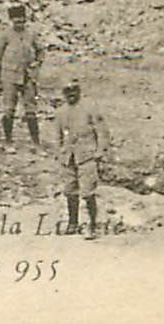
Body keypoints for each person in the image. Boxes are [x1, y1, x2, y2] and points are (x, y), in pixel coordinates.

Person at [51, 81, 112, 239]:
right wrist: (59, 153)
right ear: (63, 94)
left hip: (87, 156)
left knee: (88, 191)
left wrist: (100, 151)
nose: (71, 94)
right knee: (70, 191)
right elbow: (57, 136)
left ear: (79, 91)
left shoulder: (90, 108)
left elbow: (102, 131)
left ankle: (92, 226)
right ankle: (73, 224)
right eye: (67, 91)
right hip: (68, 158)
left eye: (74, 90)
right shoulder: (60, 112)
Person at [0, 3, 43, 149]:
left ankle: (36, 143)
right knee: (9, 109)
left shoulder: (31, 34)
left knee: (31, 110)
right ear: (11, 20)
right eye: (16, 20)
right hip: (9, 78)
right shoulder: (5, 35)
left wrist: (37, 64)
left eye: (22, 19)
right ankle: (8, 141)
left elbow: (41, 50)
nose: (19, 22)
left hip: (27, 77)